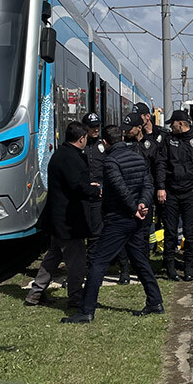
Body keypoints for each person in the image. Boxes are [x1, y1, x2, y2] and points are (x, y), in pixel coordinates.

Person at [64, 124, 163, 323]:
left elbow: (119, 188)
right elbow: (147, 184)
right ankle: (155, 301)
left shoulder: (110, 161)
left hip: (119, 219)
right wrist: (143, 203)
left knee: (98, 263)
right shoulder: (137, 156)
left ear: (105, 142)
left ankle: (86, 310)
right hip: (136, 219)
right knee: (140, 260)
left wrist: (134, 207)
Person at [27, 121, 99, 309]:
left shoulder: (59, 154)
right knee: (76, 262)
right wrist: (94, 191)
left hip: (57, 219)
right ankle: (76, 297)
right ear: (82, 138)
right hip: (69, 221)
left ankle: (35, 293)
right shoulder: (71, 157)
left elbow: (69, 183)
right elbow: (76, 186)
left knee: (52, 257)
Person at [155, 110, 193, 281]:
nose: (171, 126)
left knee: (190, 232)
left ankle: (188, 267)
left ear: (181, 123)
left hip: (190, 193)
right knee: (170, 231)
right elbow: (161, 165)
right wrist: (161, 187)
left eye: (173, 123)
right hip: (170, 192)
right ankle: (170, 267)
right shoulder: (168, 140)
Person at [83, 113, 128, 285]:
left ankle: (123, 268)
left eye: (97, 126)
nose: (95, 129)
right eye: (92, 126)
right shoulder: (83, 145)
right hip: (91, 195)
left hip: (107, 194)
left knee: (115, 231)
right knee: (93, 234)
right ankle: (91, 268)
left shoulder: (104, 145)